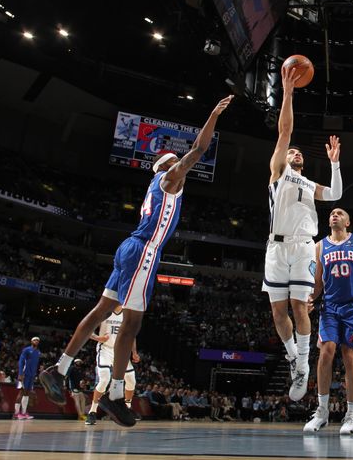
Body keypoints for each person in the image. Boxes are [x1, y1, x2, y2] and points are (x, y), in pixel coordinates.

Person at [39, 95, 232, 427]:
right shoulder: (170, 179)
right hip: (144, 251)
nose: (183, 170)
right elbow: (199, 151)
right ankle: (114, 395)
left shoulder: (157, 186)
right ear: (170, 167)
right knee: (131, 324)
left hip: (130, 247)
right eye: (177, 164)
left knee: (102, 310)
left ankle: (59, 370)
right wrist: (213, 114)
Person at [264, 64, 343, 402]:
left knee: (300, 307)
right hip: (275, 248)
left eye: (297, 151)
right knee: (278, 313)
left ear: (303, 162)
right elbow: (284, 131)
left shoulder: (310, 184)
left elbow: (337, 195)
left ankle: (305, 365)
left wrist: (336, 163)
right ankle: (294, 358)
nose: (293, 150)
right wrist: (287, 93)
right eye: (290, 149)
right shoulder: (279, 172)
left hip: (302, 248)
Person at [303, 208, 353, 435]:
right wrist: (309, 299)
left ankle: (352, 414)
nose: (334, 215)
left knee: (349, 355)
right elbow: (318, 283)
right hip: (330, 307)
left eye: (340, 213)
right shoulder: (319, 247)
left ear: (348, 221)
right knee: (326, 351)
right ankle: (322, 411)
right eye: (332, 213)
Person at [86, 306, 140, 426]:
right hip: (105, 349)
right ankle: (92, 411)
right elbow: (87, 330)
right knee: (104, 379)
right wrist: (98, 338)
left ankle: (127, 408)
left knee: (131, 380)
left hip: (121, 350)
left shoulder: (127, 314)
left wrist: (134, 352)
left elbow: (131, 336)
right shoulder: (105, 311)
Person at [14, 336, 41, 420]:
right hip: (25, 374)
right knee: (21, 392)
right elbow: (21, 361)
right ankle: (16, 413)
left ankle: (24, 412)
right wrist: (20, 373)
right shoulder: (26, 350)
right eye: (34, 340)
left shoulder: (38, 352)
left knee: (27, 393)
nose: (36, 341)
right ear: (31, 341)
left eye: (37, 340)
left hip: (32, 375)